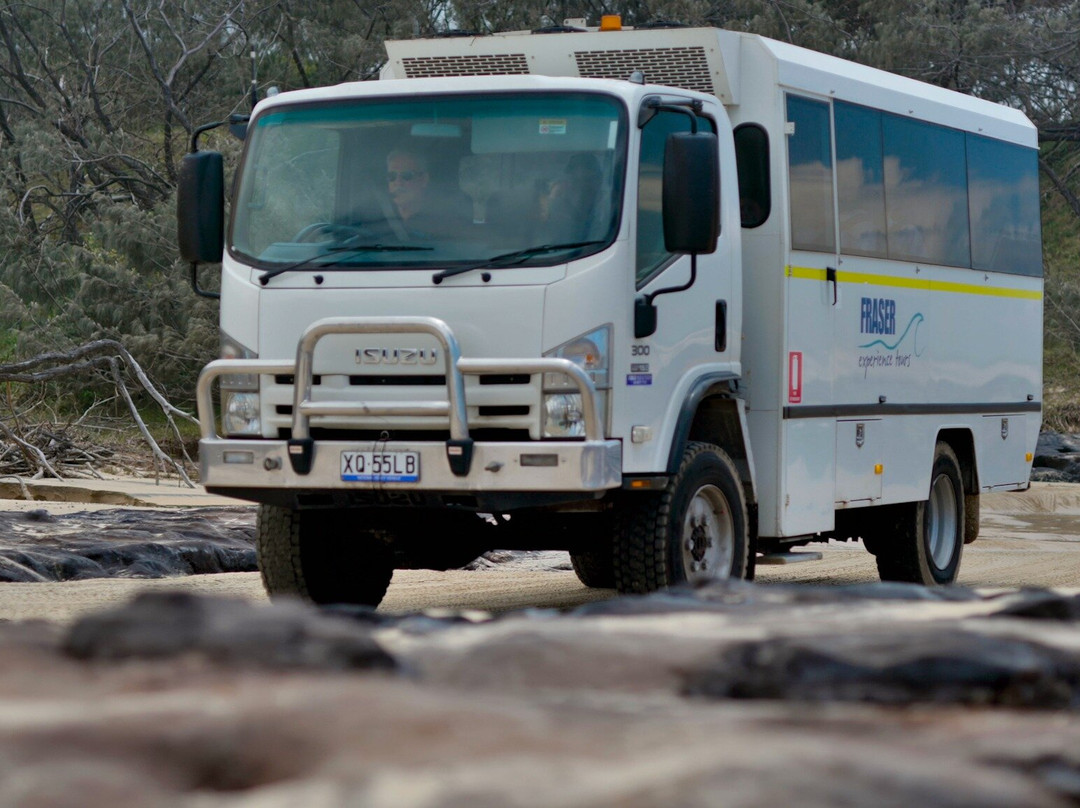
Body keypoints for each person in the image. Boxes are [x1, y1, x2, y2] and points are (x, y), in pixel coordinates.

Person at [385, 148, 469, 239]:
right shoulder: (376, 222)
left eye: (407, 175)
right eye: (392, 176)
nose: (398, 182)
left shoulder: (446, 226)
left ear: (424, 180)